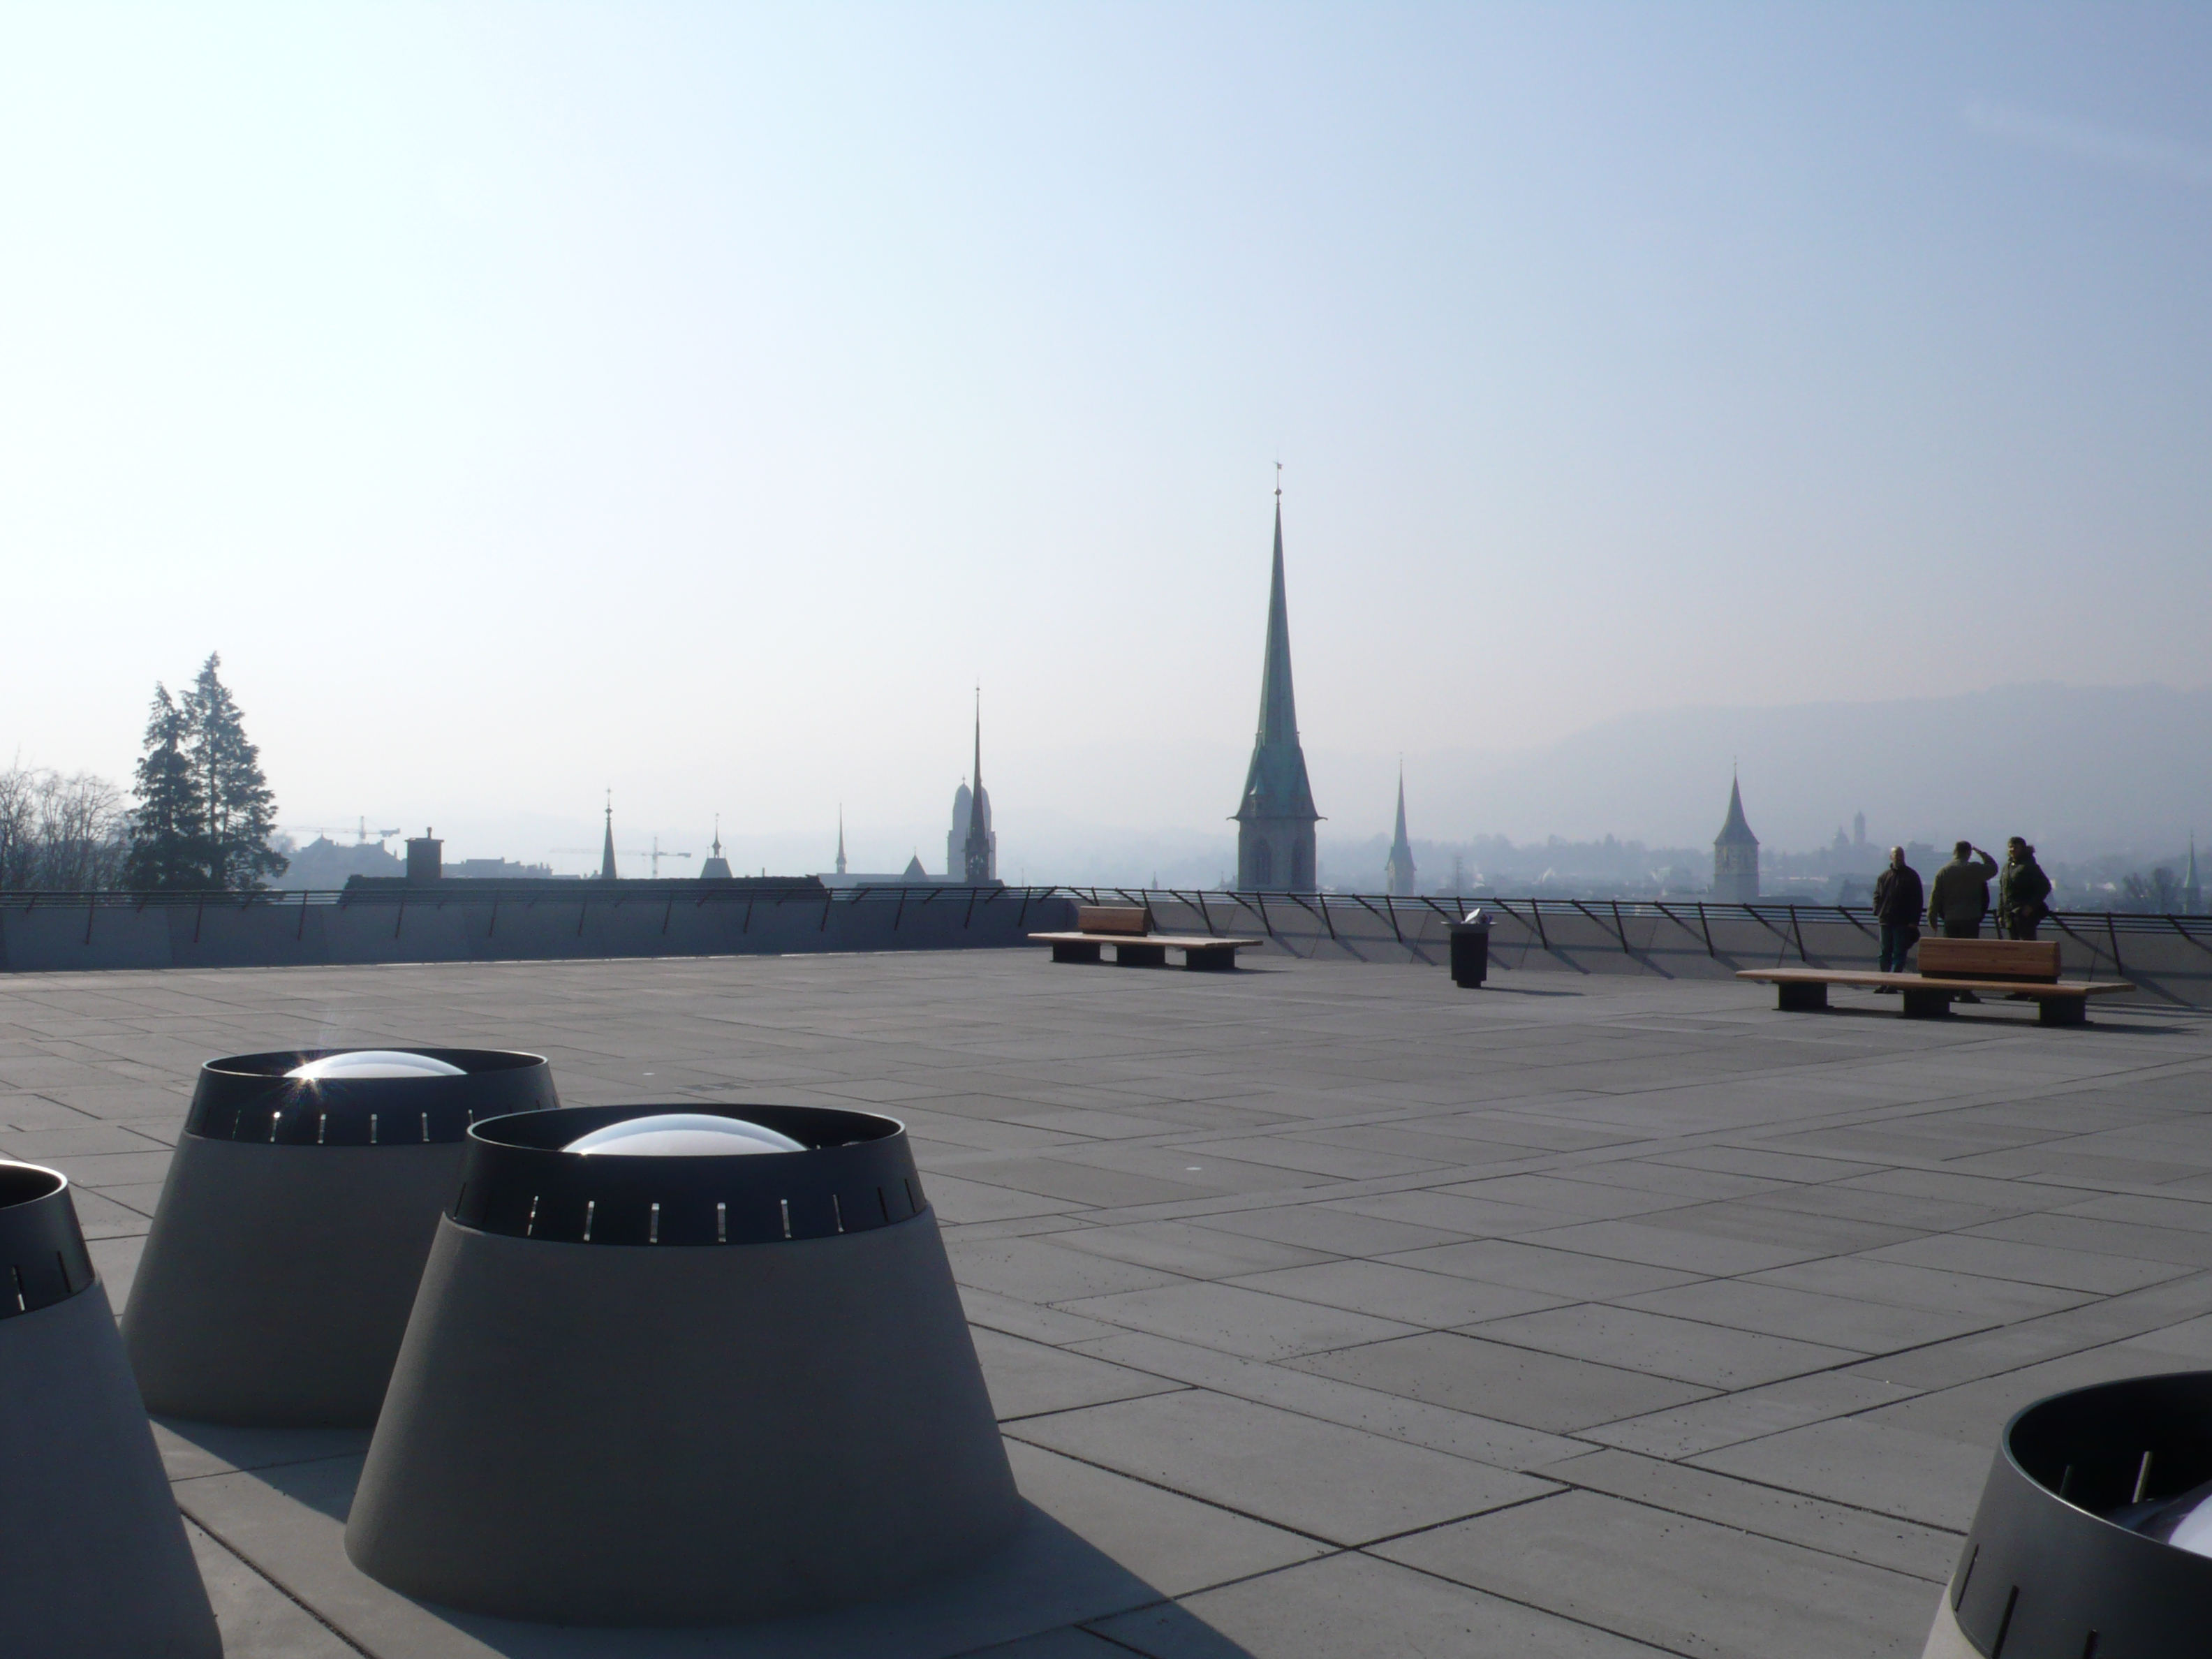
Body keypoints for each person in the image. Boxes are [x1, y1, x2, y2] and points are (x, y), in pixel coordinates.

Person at [1928, 840, 1999, 1000]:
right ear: (1968, 853)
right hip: (1970, 918)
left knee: (1952, 956)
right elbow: (1994, 869)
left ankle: (1950, 990)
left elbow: (1935, 897)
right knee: (1969, 956)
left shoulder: (1944, 871)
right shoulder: (1974, 869)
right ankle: (1965, 990)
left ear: (1955, 852)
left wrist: (1932, 917)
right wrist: (1983, 854)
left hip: (1950, 919)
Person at [1872, 846, 1923, 988]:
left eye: (1901, 855)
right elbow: (1877, 895)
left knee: (1898, 953)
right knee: (1885, 953)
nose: (1899, 857)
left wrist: (1914, 921)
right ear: (1891, 857)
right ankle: (1885, 983)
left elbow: (1917, 900)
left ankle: (1892, 984)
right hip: (1886, 920)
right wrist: (1877, 910)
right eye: (1897, 855)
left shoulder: (1911, 876)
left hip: (1902, 921)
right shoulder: (1885, 876)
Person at [1999, 837, 2053, 940]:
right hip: (2009, 915)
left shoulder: (2030, 866)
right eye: (2010, 847)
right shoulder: (2007, 867)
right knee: (2014, 947)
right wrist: (2000, 914)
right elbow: (2002, 892)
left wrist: (2030, 906)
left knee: (2027, 944)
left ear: (2022, 849)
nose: (2012, 850)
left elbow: (2045, 887)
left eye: (2015, 847)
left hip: (2024, 915)